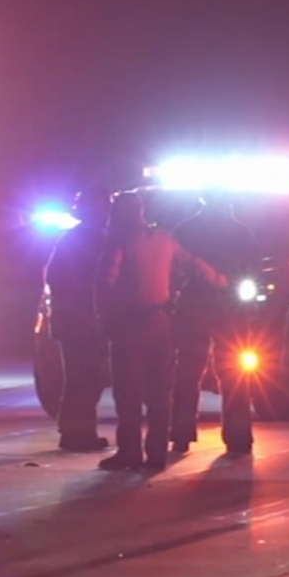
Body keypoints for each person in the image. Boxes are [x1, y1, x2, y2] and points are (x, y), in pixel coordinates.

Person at [96, 192, 227, 471]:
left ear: (119, 214)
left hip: (129, 327)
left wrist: (105, 320)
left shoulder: (118, 242)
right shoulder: (164, 239)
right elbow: (193, 265)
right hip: (161, 324)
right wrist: (222, 281)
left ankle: (130, 452)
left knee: (128, 393)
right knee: (159, 393)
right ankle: (156, 454)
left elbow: (106, 282)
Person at [170, 194, 263, 456]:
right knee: (234, 372)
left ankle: (181, 432)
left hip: (195, 309)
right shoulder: (240, 232)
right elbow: (254, 269)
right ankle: (237, 435)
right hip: (229, 310)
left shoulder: (185, 230)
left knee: (188, 371)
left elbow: (174, 269)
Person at [43, 188, 113, 452]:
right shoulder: (92, 241)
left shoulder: (72, 239)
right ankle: (78, 434)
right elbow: (94, 282)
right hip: (82, 321)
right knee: (85, 378)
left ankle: (75, 431)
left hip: (72, 319)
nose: (107, 214)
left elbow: (52, 277)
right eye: (104, 208)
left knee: (79, 378)